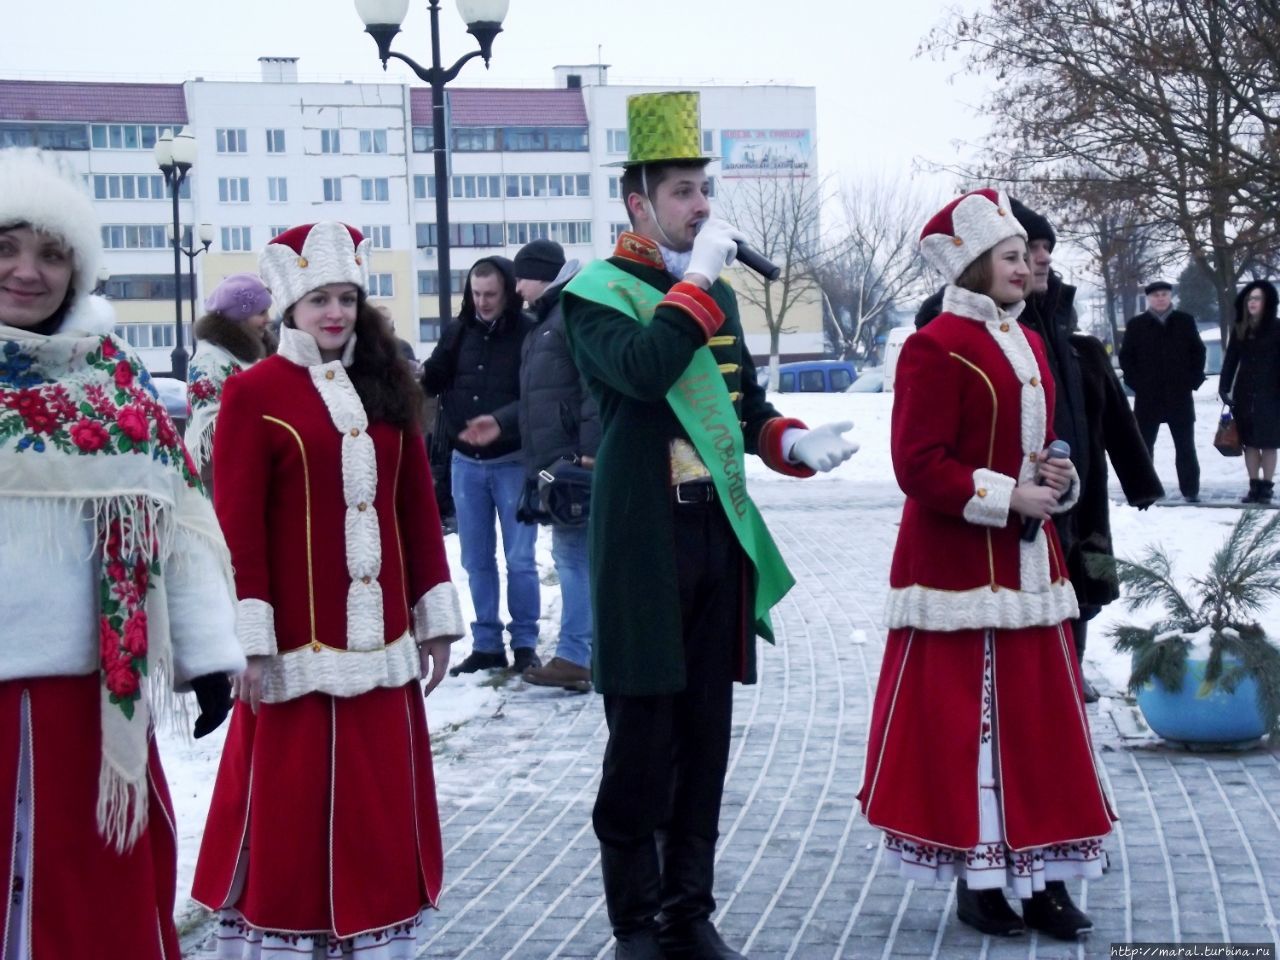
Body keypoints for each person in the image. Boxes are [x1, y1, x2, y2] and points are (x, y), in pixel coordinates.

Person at [562, 91, 858, 960]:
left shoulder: (714, 290)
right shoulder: (595, 294)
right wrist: (694, 286)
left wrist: (793, 441)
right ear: (639, 204)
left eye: (703, 190)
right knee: (642, 742)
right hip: (641, 543)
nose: (701, 206)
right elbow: (648, 374)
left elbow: (743, 408)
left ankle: (690, 912)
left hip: (711, 538)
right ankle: (635, 922)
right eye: (684, 192)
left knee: (705, 734)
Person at [191, 221, 464, 957]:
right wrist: (245, 640)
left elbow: (416, 508)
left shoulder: (387, 385)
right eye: (319, 300)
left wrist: (435, 615)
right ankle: (286, 930)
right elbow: (237, 525)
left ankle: (373, 930)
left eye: (346, 297)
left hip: (382, 648)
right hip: (291, 649)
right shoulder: (253, 392)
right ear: (288, 307)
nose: (335, 313)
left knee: (377, 805)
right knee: (290, 804)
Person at [0, 147, 245, 959]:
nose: (27, 272)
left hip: (90, 702)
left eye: (50, 253)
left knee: (95, 902)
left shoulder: (112, 379)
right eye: (7, 246)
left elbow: (175, 518)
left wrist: (208, 653)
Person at [858, 189, 1114, 943]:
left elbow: (1039, 445)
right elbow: (918, 464)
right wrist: (1013, 498)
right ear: (973, 266)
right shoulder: (933, 346)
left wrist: (1055, 478)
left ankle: (1044, 881)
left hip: (1032, 572)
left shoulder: (1030, 343)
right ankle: (982, 880)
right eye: (1010, 257)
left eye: (1023, 257)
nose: (1025, 267)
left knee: (1040, 727)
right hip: (959, 571)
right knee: (970, 731)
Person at [919, 200, 1165, 701]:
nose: (1041, 259)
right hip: (997, 514)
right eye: (1027, 249)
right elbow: (924, 454)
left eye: (1045, 249)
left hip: (1074, 487)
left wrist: (1131, 480)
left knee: (1082, 584)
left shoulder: (1074, 343)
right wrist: (1007, 496)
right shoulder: (955, 332)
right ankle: (1041, 687)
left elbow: (1112, 416)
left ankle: (1066, 675)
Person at [420, 257, 541, 676]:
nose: (483, 302)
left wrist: (502, 422)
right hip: (464, 464)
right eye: (476, 294)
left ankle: (525, 642)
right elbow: (432, 378)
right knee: (475, 559)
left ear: (507, 292)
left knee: (521, 558)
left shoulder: (528, 333)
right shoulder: (459, 331)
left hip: (512, 460)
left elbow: (537, 396)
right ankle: (486, 643)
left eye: (491, 294)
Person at [512, 239, 598, 692]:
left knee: (572, 557)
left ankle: (574, 655)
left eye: (521, 277)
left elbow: (590, 388)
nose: (517, 287)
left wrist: (588, 453)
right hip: (559, 461)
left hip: (573, 465)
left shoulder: (566, 318)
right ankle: (590, 653)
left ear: (541, 274)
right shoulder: (549, 320)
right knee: (579, 557)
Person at [186, 272, 276, 489]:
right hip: (221, 477)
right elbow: (210, 428)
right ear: (240, 317)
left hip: (252, 468)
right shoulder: (210, 360)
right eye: (261, 312)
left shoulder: (247, 355)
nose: (268, 319)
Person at [1119, 280, 1205, 502]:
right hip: (1148, 396)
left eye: (1164, 294)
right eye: (1156, 295)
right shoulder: (1137, 325)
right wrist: (1136, 383)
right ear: (1148, 298)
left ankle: (1190, 489)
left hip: (1179, 394)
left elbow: (1198, 351)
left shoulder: (1184, 321)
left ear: (1170, 297)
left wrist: (1192, 380)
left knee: (1185, 446)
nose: (1160, 298)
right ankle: (1146, 489)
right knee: (1144, 446)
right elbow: (1126, 357)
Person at [1220, 280, 1280, 504]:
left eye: (1256, 299)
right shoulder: (1240, 328)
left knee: (1269, 443)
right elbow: (1231, 360)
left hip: (1271, 394)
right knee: (1250, 442)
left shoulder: (1277, 327)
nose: (1252, 303)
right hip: (1245, 393)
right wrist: (1224, 386)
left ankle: (1267, 486)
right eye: (1249, 299)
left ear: (1266, 302)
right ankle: (1254, 485)